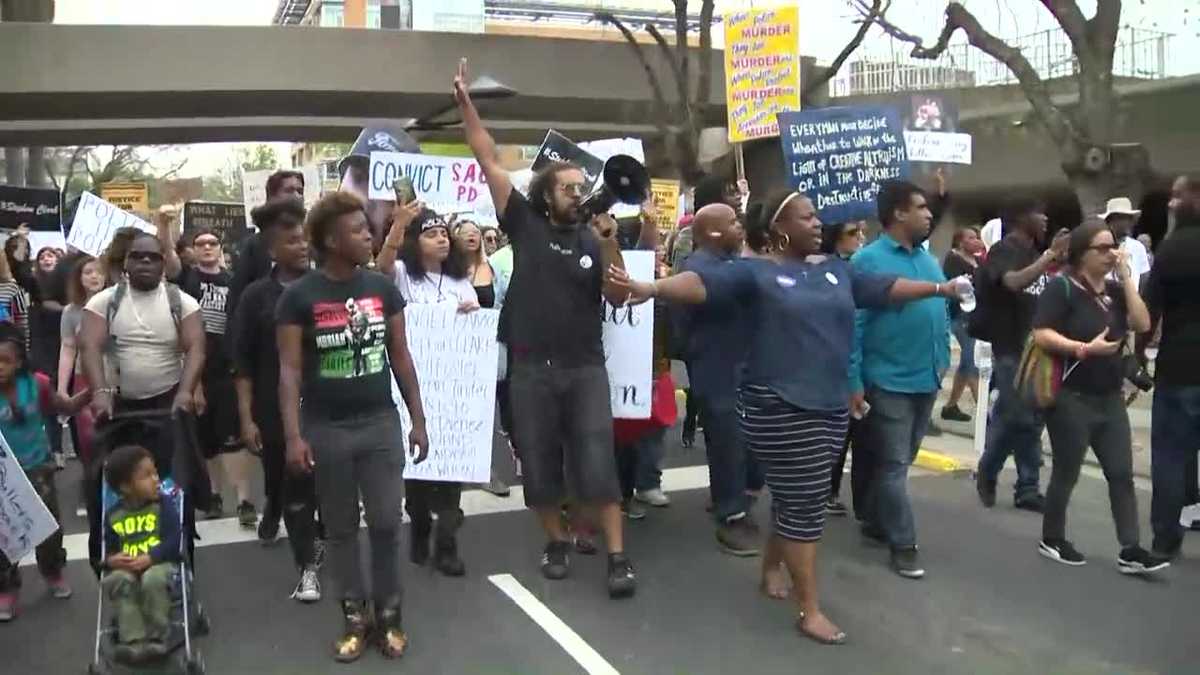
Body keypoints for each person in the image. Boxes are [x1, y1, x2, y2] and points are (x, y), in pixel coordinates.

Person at [611, 196, 968, 644]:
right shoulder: (753, 272)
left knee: (803, 497)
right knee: (804, 507)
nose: (818, 223)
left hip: (830, 405)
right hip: (776, 405)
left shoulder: (836, 270)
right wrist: (651, 289)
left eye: (818, 216)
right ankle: (810, 608)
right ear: (779, 227)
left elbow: (885, 288)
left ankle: (770, 567)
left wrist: (941, 290)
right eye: (807, 217)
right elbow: (700, 284)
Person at [455, 57, 636, 598]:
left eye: (583, 187)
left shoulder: (593, 238)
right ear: (545, 194)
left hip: (584, 370)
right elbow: (486, 157)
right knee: (538, 466)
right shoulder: (524, 223)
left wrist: (608, 239)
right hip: (532, 370)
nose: (579, 194)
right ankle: (555, 540)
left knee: (598, 463)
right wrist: (466, 103)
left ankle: (618, 556)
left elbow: (618, 293)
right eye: (569, 187)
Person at [277, 191, 428, 662]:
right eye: (359, 230)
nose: (369, 235)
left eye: (369, 228)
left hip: (380, 423)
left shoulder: (382, 288)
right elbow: (290, 371)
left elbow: (400, 357)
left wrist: (418, 419)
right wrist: (294, 435)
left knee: (385, 522)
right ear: (329, 239)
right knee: (341, 528)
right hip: (327, 429)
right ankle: (354, 619)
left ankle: (390, 616)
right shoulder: (299, 297)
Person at [1032, 220, 1168, 575]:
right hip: (1071, 396)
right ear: (1082, 253)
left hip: (1109, 397)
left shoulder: (1115, 289)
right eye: (1103, 248)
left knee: (1121, 473)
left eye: (1114, 247)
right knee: (1067, 470)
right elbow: (1041, 334)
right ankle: (1052, 537)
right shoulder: (1061, 289)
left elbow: (1141, 324)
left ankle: (1131, 548)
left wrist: (1127, 278)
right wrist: (1080, 348)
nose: (1112, 254)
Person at [78, 231, 205, 573]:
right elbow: (89, 346)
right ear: (125, 263)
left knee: (176, 492)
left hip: (166, 408)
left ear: (164, 263)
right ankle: (107, 567)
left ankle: (182, 571)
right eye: (138, 257)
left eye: (153, 257)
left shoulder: (182, 302)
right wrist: (100, 392)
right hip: (117, 410)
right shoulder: (104, 302)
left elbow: (196, 348)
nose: (145, 263)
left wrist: (186, 391)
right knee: (101, 490)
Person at [849, 180, 957, 580]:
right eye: (922, 208)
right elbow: (853, 326)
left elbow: (940, 310)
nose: (930, 215)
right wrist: (854, 380)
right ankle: (904, 543)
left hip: (925, 379)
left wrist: (942, 358)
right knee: (894, 465)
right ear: (898, 214)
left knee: (899, 461)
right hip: (887, 381)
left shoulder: (928, 260)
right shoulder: (867, 261)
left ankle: (876, 521)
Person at [377, 204, 477, 577]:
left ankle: (447, 546)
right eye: (431, 234)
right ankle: (419, 524)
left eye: (443, 233)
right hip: (412, 390)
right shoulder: (403, 275)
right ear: (414, 244)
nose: (441, 239)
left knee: (452, 471)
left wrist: (471, 314)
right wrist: (399, 224)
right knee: (418, 472)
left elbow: (474, 332)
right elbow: (382, 268)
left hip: (452, 391)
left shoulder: (458, 282)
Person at [231, 198, 322, 602]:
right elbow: (243, 363)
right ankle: (275, 509)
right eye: (292, 241)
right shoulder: (255, 297)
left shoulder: (327, 287)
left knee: (309, 485)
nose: (302, 247)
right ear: (272, 251)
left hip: (323, 406)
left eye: (305, 240)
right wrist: (246, 418)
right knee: (283, 478)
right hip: (273, 408)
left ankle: (308, 558)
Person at [973, 200, 1068, 512]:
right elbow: (1012, 282)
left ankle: (1027, 488)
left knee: (1026, 419)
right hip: (1008, 347)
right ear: (1020, 217)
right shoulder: (1005, 249)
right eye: (1039, 213)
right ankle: (989, 471)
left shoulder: (1034, 253)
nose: (1045, 219)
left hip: (1036, 350)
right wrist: (1049, 257)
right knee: (1019, 417)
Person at [676, 203, 760, 556]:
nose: (740, 227)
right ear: (712, 232)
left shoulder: (731, 264)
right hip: (716, 368)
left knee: (748, 446)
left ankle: (736, 496)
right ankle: (731, 518)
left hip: (744, 367)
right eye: (733, 223)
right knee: (728, 445)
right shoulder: (698, 269)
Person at [161, 224, 252, 525]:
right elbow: (169, 259)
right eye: (201, 244)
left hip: (227, 370)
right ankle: (214, 495)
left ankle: (244, 500)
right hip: (196, 370)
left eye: (213, 243)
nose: (207, 247)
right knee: (207, 441)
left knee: (233, 439)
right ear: (194, 250)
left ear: (220, 248)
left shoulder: (232, 281)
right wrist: (164, 225)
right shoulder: (188, 279)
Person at [0, 324, 87, 621]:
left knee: (48, 527)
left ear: (20, 361)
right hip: (4, 476)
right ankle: (6, 588)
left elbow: (67, 406)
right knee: (4, 533)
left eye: (5, 361)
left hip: (38, 467)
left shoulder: (36, 384)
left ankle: (52, 571)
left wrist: (95, 392)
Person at [1144, 175, 1200, 558]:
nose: (1171, 202)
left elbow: (1147, 315)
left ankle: (1166, 538)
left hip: (1179, 369)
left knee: (1170, 456)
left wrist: (1133, 357)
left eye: (1178, 195)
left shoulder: (1170, 250)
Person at [100, 444, 182, 664]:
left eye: (155, 472)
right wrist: (111, 560)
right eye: (147, 476)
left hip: (159, 565)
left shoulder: (163, 505)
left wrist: (151, 558)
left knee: (152, 579)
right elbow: (110, 550)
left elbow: (174, 540)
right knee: (117, 579)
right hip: (128, 568)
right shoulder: (114, 515)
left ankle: (158, 636)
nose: (156, 479)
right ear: (126, 486)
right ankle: (133, 641)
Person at [451, 217, 510, 498]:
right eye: (466, 233)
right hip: (455, 350)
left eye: (476, 232)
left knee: (486, 408)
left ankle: (485, 468)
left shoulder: (493, 267)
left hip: (488, 346)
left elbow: (502, 302)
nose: (472, 236)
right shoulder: (447, 271)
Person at [819, 221, 867, 519]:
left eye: (861, 232)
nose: (860, 238)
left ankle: (830, 491)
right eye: (852, 233)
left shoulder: (852, 270)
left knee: (848, 433)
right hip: (832, 367)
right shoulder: (825, 272)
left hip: (852, 363)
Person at [226, 169, 305, 328]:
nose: (297, 195)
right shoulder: (254, 245)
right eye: (289, 190)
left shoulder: (316, 240)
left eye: (300, 191)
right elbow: (237, 301)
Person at [58, 256, 107, 511]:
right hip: (82, 379)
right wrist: (61, 390)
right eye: (88, 272)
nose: (94, 277)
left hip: (113, 376)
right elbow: (67, 349)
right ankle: (92, 489)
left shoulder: (116, 303)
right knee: (88, 438)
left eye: (99, 272)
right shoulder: (70, 312)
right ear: (79, 278)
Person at [940, 226, 984, 422]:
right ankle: (986, 417)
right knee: (972, 361)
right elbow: (958, 286)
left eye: (978, 237)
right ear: (960, 241)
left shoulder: (979, 260)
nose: (976, 240)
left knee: (967, 363)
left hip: (976, 316)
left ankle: (950, 407)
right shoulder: (953, 259)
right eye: (971, 237)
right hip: (961, 316)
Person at [1100, 197, 1151, 290]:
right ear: (1110, 221)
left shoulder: (1138, 247)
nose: (1127, 222)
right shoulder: (1100, 246)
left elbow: (1144, 279)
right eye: (1122, 218)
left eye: (1129, 218)